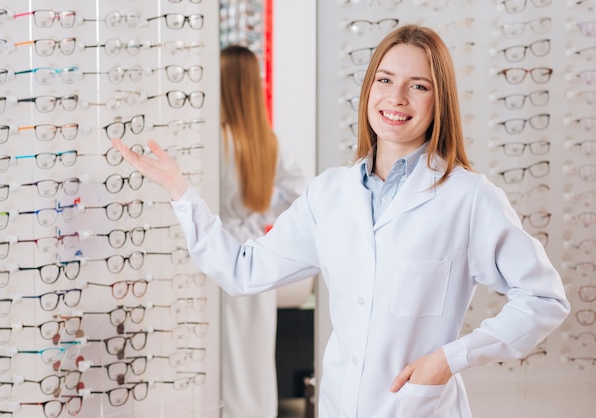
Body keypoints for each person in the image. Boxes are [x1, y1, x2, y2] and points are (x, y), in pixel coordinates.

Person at [112, 25, 570, 418]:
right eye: (385, 80)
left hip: (416, 406)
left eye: (418, 85)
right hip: (339, 404)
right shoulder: (329, 194)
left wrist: (449, 359)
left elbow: (544, 298)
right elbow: (244, 272)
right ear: (368, 89)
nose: (396, 97)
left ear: (439, 100)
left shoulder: (469, 197)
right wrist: (180, 191)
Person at [214, 44, 308, 418]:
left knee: (224, 349)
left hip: (219, 251)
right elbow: (301, 191)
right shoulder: (265, 142)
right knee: (254, 350)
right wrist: (263, 215)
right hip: (255, 252)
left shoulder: (216, 141)